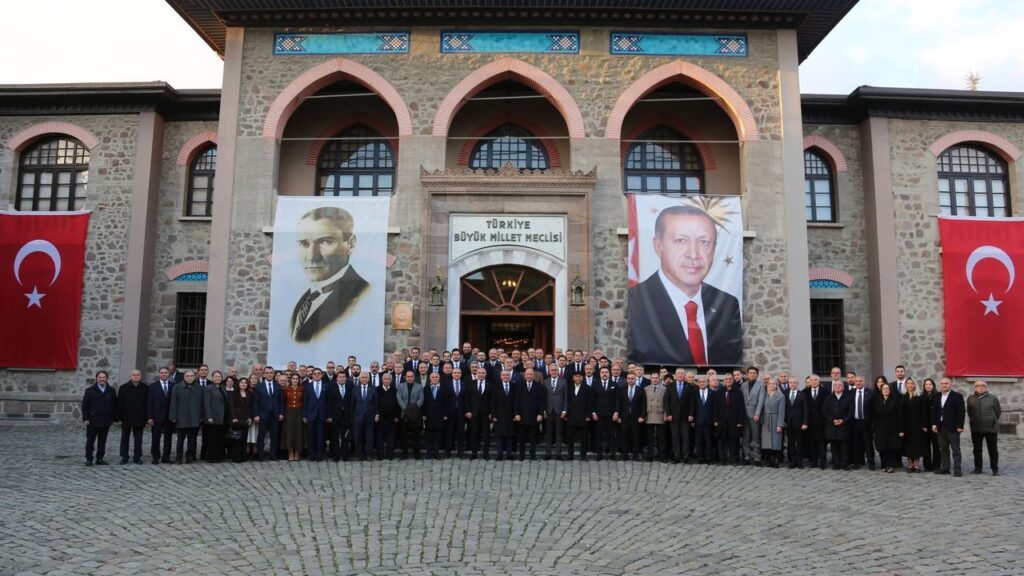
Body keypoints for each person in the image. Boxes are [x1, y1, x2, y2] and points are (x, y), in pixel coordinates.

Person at [627, 204, 742, 367]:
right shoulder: (637, 301)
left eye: (704, 242)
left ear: (714, 248)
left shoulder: (727, 305)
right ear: (658, 246)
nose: (693, 254)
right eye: (681, 240)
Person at [290, 206, 370, 342]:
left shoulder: (363, 296)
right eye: (304, 243)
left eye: (325, 242)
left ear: (350, 244)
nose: (311, 256)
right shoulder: (305, 300)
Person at [82, 370, 117, 466]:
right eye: (100, 377)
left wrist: (113, 418)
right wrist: (85, 418)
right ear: (96, 378)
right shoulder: (90, 390)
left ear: (106, 378)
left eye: (103, 377)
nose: (102, 379)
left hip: (106, 420)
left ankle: (100, 458)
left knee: (102, 441)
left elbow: (114, 405)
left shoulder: (111, 390)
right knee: (90, 441)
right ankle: (89, 458)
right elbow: (85, 405)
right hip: (93, 420)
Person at [966, 380, 1001, 476]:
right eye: (978, 385)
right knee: (977, 449)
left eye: (983, 385)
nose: (980, 387)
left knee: (993, 450)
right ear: (975, 387)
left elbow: (998, 412)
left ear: (986, 387)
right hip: (976, 428)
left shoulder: (993, 398)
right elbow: (969, 412)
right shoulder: (970, 399)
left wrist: (992, 420)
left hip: (991, 428)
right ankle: (978, 468)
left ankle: (995, 469)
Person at [932, 378, 965, 477]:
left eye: (946, 383)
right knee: (943, 449)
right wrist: (934, 424)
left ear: (950, 384)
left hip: (953, 427)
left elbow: (961, 412)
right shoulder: (937, 396)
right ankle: (945, 468)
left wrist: (960, 426)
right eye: (942, 383)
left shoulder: (957, 396)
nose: (944, 385)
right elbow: (935, 412)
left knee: (955, 449)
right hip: (940, 427)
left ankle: (957, 469)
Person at [168, 370, 203, 464]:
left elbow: (201, 404)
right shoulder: (177, 387)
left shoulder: (198, 388)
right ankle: (179, 457)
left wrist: (201, 416)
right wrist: (173, 416)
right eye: (187, 376)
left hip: (194, 418)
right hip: (181, 418)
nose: (189, 378)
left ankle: (189, 456)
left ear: (194, 377)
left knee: (192, 440)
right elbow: (173, 403)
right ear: (184, 377)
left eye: (191, 376)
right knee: (180, 440)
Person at [117, 369, 148, 465]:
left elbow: (147, 404)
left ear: (140, 376)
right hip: (126, 417)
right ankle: (124, 457)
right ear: (130, 376)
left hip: (139, 417)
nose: (136, 376)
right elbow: (119, 404)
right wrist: (119, 418)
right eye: (134, 375)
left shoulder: (145, 388)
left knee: (138, 439)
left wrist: (146, 418)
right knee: (125, 438)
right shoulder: (123, 388)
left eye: (138, 374)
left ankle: (137, 457)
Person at [713, 372, 745, 465]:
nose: (728, 380)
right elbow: (715, 408)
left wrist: (740, 421)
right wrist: (715, 420)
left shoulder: (738, 392)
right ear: (723, 381)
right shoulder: (719, 392)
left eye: (730, 379)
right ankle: (722, 460)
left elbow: (741, 408)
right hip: (721, 421)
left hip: (734, 421)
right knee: (721, 441)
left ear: (733, 380)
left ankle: (733, 460)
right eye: (726, 379)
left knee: (733, 442)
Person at [254, 366, 285, 462]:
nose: (269, 374)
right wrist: (256, 415)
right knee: (261, 436)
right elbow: (256, 402)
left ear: (273, 374)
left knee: (274, 436)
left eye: (271, 373)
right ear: (264, 374)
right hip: (263, 415)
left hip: (274, 415)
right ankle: (261, 455)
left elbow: (281, 401)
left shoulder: (277, 386)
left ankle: (273, 455)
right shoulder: (259, 387)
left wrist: (281, 413)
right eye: (267, 373)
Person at [515, 367, 546, 461]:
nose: (529, 376)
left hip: (534, 416)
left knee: (533, 438)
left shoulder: (539, 386)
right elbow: (516, 401)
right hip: (522, 416)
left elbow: (542, 402)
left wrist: (540, 414)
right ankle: (522, 455)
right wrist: (516, 413)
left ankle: (533, 454)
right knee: (522, 438)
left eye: (531, 374)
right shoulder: (519, 386)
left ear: (533, 375)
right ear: (524, 375)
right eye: (527, 374)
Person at [872, 382, 903, 473]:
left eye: (887, 389)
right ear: (881, 390)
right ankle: (884, 464)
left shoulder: (895, 400)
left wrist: (901, 429)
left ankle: (891, 465)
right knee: (882, 447)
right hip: (880, 428)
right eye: (884, 389)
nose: (886, 390)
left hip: (893, 428)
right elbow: (874, 415)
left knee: (891, 447)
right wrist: (874, 428)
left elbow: (900, 416)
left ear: (890, 390)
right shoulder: (877, 400)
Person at [615, 372, 646, 460]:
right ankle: (625, 455)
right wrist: (619, 416)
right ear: (626, 379)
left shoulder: (640, 390)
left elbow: (644, 404)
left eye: (632, 378)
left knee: (635, 436)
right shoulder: (622, 389)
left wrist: (642, 416)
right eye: (629, 378)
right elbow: (619, 404)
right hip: (624, 417)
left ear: (635, 379)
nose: (630, 380)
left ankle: (635, 455)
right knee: (624, 436)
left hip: (636, 418)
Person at [823, 380, 853, 470]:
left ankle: (844, 463)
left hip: (844, 426)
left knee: (844, 447)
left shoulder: (848, 398)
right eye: (835, 385)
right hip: (832, 426)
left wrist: (843, 420)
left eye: (840, 385)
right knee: (834, 447)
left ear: (843, 387)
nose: (837, 386)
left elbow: (851, 411)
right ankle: (836, 463)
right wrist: (832, 420)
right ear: (833, 387)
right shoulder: (828, 398)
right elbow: (824, 411)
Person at [563, 371, 593, 461]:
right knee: (570, 438)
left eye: (580, 376)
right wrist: (566, 414)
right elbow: (566, 402)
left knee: (584, 438)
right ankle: (570, 455)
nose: (578, 378)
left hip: (583, 416)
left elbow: (589, 403)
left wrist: (588, 415)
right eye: (576, 376)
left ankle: (583, 455)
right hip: (571, 416)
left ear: (582, 378)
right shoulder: (568, 388)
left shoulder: (587, 388)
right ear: (573, 378)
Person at [148, 367, 175, 464]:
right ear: (159, 374)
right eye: (162, 373)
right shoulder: (153, 386)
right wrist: (150, 417)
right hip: (156, 416)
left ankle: (166, 457)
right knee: (155, 438)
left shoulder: (173, 386)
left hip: (169, 417)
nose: (164, 374)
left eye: (166, 372)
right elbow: (149, 402)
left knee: (168, 438)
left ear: (169, 374)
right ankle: (155, 456)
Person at [849, 376, 876, 471]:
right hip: (855, 422)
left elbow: (874, 410)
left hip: (866, 423)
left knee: (868, 444)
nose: (858, 383)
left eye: (860, 381)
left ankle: (871, 463)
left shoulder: (871, 393)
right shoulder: (851, 393)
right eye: (856, 381)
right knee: (856, 444)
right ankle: (857, 462)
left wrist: (872, 423)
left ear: (864, 382)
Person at [591, 366, 618, 461]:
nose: (604, 374)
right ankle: (599, 454)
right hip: (598, 414)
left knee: (611, 435)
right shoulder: (595, 384)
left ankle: (613, 454)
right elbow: (592, 400)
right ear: (600, 374)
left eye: (606, 372)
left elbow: (617, 400)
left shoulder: (614, 384)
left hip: (611, 415)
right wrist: (593, 412)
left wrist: (616, 412)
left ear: (609, 373)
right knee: (599, 435)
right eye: (602, 372)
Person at [396, 369, 424, 459]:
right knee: (403, 436)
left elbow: (421, 400)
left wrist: (412, 410)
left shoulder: (419, 387)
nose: (410, 378)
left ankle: (417, 454)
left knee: (416, 436)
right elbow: (399, 398)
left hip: (415, 416)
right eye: (408, 376)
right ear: (405, 377)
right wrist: (406, 409)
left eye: (411, 376)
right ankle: (404, 454)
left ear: (414, 377)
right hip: (404, 415)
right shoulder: (400, 386)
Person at [491, 368, 518, 461]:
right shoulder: (496, 386)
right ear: (501, 376)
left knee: (510, 436)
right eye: (504, 375)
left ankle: (509, 454)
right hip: (499, 415)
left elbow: (516, 402)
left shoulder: (514, 386)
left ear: (510, 376)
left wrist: (516, 414)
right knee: (499, 436)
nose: (506, 376)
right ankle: (499, 454)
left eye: (507, 375)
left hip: (511, 415)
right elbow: (493, 402)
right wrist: (493, 415)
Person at [302, 368, 329, 462]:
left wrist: (328, 415)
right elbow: (305, 401)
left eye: (319, 373)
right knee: (311, 436)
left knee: (321, 436)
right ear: (312, 375)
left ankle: (319, 455)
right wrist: (304, 415)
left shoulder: (326, 386)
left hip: (322, 415)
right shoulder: (307, 387)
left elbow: (328, 402)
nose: (317, 375)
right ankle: (311, 455)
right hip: (311, 414)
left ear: (321, 375)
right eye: (315, 374)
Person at [202, 370, 229, 463]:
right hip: (213, 418)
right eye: (216, 377)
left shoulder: (222, 388)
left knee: (220, 438)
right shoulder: (208, 388)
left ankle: (219, 456)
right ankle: (212, 456)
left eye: (219, 377)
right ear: (212, 378)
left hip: (222, 418)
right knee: (212, 439)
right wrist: (209, 416)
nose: (218, 378)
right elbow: (207, 404)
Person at [467, 365, 493, 460]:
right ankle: (474, 454)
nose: (481, 374)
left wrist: (491, 413)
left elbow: (492, 400)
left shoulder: (490, 384)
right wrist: (468, 411)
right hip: (474, 414)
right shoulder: (471, 384)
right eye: (479, 373)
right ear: (476, 374)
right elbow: (467, 399)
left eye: (483, 373)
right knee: (474, 435)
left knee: (486, 435)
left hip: (486, 414)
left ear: (485, 374)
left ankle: (486, 454)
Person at [901, 378, 927, 473]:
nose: (910, 385)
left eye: (912, 383)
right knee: (908, 445)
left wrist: (924, 425)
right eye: (908, 383)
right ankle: (909, 464)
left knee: (917, 445)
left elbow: (923, 412)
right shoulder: (903, 396)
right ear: (906, 385)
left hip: (917, 424)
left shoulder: (920, 397)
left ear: (915, 385)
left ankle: (916, 465)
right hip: (906, 425)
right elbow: (901, 412)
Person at [325, 371, 353, 461]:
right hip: (334, 415)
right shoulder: (331, 386)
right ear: (337, 378)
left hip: (346, 415)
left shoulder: (350, 386)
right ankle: (336, 455)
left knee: (345, 436)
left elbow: (351, 401)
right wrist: (329, 416)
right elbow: (328, 402)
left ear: (346, 378)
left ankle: (345, 455)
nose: (342, 378)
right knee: (335, 436)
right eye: (340, 377)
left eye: (343, 377)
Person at [759, 379, 786, 468]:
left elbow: (782, 412)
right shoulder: (765, 395)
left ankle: (776, 461)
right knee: (767, 442)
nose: (771, 385)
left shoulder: (780, 396)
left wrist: (779, 425)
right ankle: (769, 461)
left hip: (775, 419)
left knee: (776, 442)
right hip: (766, 420)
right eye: (770, 383)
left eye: (773, 383)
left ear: (776, 385)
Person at [741, 367, 765, 466]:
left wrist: (757, 414)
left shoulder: (761, 385)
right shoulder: (743, 385)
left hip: (755, 415)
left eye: (754, 373)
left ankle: (757, 457)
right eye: (750, 373)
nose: (752, 374)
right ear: (747, 374)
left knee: (756, 437)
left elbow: (761, 400)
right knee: (745, 437)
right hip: (744, 415)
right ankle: (746, 457)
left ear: (757, 374)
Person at [352, 372, 378, 460]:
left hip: (370, 416)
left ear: (369, 379)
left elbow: (376, 403)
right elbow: (352, 404)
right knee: (358, 436)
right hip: (358, 416)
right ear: (359, 379)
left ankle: (369, 454)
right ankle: (359, 455)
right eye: (362, 377)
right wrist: (352, 417)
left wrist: (377, 414)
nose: (364, 379)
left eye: (366, 377)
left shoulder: (373, 389)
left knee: (369, 436)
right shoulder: (355, 389)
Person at [543, 363, 567, 461]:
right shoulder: (545, 381)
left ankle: (558, 454)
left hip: (559, 410)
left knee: (559, 433)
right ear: (549, 371)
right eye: (552, 370)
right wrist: (543, 410)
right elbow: (543, 398)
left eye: (555, 370)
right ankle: (548, 453)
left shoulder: (564, 381)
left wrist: (565, 410)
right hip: (548, 410)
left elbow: (566, 397)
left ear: (558, 371)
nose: (553, 372)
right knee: (548, 433)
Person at [422, 372, 448, 459]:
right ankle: (429, 452)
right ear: (430, 378)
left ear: (439, 378)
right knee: (429, 435)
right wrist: (423, 414)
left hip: (439, 415)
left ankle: (436, 453)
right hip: (428, 416)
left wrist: (445, 414)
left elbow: (446, 402)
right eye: (432, 377)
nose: (434, 378)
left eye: (436, 377)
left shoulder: (444, 389)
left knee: (437, 436)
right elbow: (423, 403)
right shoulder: (426, 388)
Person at [782, 376, 806, 468]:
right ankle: (792, 461)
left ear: (797, 384)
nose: (792, 384)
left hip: (799, 423)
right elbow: (783, 409)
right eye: (791, 382)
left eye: (794, 382)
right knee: (790, 443)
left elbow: (805, 410)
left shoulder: (802, 394)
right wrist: (783, 421)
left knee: (799, 443)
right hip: (788, 423)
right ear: (789, 384)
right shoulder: (785, 394)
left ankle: (800, 462)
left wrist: (805, 423)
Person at [444, 367, 469, 458]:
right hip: (450, 413)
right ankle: (448, 451)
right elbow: (445, 399)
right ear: (452, 374)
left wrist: (467, 411)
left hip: (461, 413)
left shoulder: (464, 383)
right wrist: (445, 413)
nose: (457, 374)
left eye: (458, 373)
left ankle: (460, 451)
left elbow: (467, 398)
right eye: (455, 373)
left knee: (461, 433)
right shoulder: (447, 383)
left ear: (461, 374)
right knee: (449, 433)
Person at [228, 377, 253, 463]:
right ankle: (236, 457)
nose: (243, 384)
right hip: (237, 420)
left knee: (244, 439)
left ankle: (243, 456)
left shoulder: (249, 393)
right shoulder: (234, 394)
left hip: (246, 420)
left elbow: (250, 407)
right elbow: (232, 407)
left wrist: (250, 417)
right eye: (242, 383)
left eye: (245, 383)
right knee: (236, 439)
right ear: (238, 384)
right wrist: (234, 418)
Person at [376, 373, 400, 460]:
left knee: (391, 437)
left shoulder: (395, 390)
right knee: (380, 437)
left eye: (388, 379)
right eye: (385, 379)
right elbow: (375, 403)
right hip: (380, 418)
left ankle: (390, 454)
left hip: (391, 418)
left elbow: (398, 404)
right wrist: (376, 414)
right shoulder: (377, 390)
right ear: (382, 380)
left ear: (391, 380)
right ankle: (380, 454)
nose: (386, 380)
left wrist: (397, 416)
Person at [691, 376, 715, 464]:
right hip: (698, 421)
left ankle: (708, 458)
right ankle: (700, 458)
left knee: (708, 441)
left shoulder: (712, 393)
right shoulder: (694, 393)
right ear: (698, 383)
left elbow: (714, 408)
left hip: (709, 421)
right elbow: (692, 407)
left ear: (707, 383)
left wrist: (715, 420)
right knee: (699, 441)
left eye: (704, 381)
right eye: (700, 382)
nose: (702, 383)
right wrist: (692, 420)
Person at [282, 374, 304, 461]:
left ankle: (297, 452)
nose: (295, 380)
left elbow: (304, 401)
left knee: (298, 432)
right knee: (289, 432)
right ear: (291, 380)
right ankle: (290, 452)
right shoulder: (287, 389)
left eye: (296, 379)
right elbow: (283, 401)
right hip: (289, 412)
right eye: (293, 379)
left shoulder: (302, 389)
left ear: (299, 380)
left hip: (299, 412)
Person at [921, 378, 941, 471]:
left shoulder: (938, 396)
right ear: (924, 386)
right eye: (926, 384)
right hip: (925, 426)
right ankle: (927, 466)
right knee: (926, 446)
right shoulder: (921, 397)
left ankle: (937, 465)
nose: (928, 386)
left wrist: (936, 424)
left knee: (936, 446)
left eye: (930, 384)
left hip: (935, 425)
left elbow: (939, 412)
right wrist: (922, 425)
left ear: (933, 386)